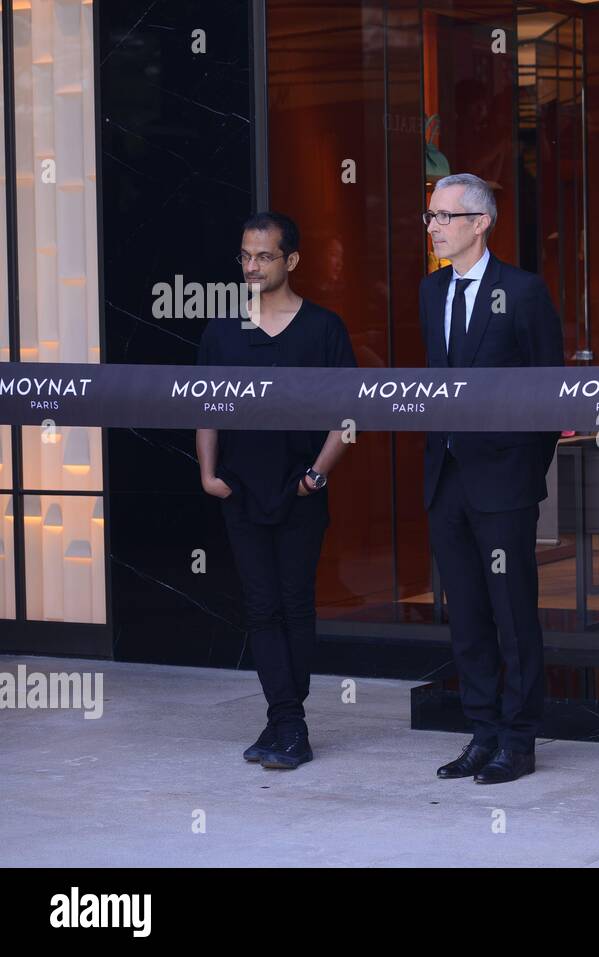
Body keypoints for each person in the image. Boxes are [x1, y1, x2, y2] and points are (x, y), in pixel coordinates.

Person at [197, 211, 357, 770]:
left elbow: (349, 414)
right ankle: (285, 721)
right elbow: (205, 407)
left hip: (299, 491)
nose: (252, 265)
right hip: (239, 489)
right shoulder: (221, 330)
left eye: (264, 255)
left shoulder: (323, 329)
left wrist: (318, 474)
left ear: (290, 260)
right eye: (244, 255)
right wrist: (207, 473)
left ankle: (288, 723)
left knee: (294, 604)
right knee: (260, 608)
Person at [421, 173, 565, 785]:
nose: (433, 225)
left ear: (480, 223)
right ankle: (481, 734)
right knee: (467, 614)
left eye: (444, 216)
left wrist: (527, 473)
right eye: (430, 215)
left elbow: (548, 392)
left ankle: (520, 738)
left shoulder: (524, 292)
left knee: (512, 613)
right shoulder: (430, 292)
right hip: (446, 476)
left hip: (504, 480)